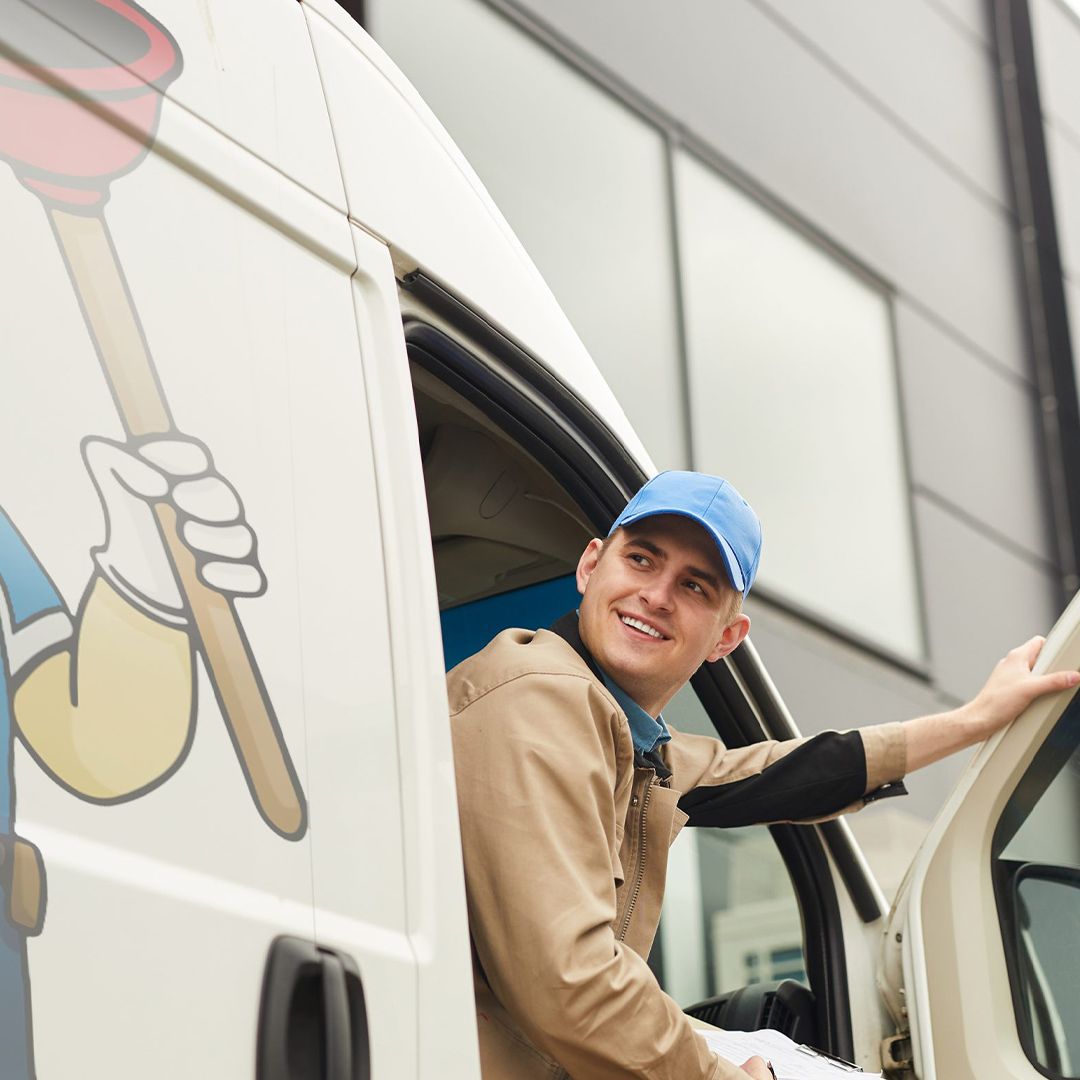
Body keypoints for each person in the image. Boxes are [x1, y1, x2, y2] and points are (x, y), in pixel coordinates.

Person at [447, 470, 1079, 1080]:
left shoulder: (621, 734)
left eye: (695, 586)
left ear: (728, 636)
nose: (658, 595)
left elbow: (778, 772)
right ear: (591, 566)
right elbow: (574, 985)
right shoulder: (544, 699)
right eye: (641, 559)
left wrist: (972, 722)